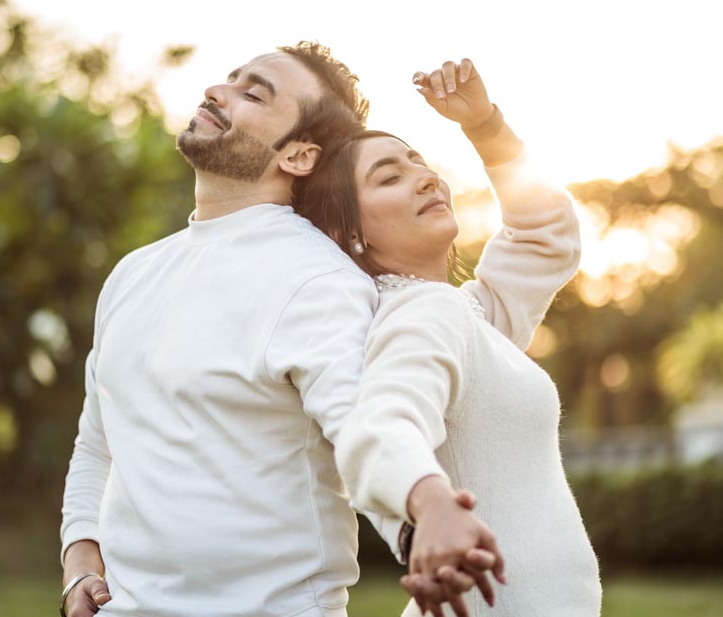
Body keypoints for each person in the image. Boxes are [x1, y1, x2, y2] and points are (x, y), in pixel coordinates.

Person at [59, 43, 499, 617]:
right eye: (230, 80)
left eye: (254, 94)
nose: (217, 92)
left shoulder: (318, 281)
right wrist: (79, 559)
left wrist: (428, 507)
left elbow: (363, 429)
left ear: (297, 155)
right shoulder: (132, 273)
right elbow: (99, 440)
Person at [294, 57, 602, 616]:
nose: (427, 177)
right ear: (347, 232)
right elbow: (381, 422)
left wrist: (485, 126)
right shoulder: (426, 312)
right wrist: (431, 505)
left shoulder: (469, 315)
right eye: (390, 177)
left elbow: (546, 236)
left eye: (420, 162)